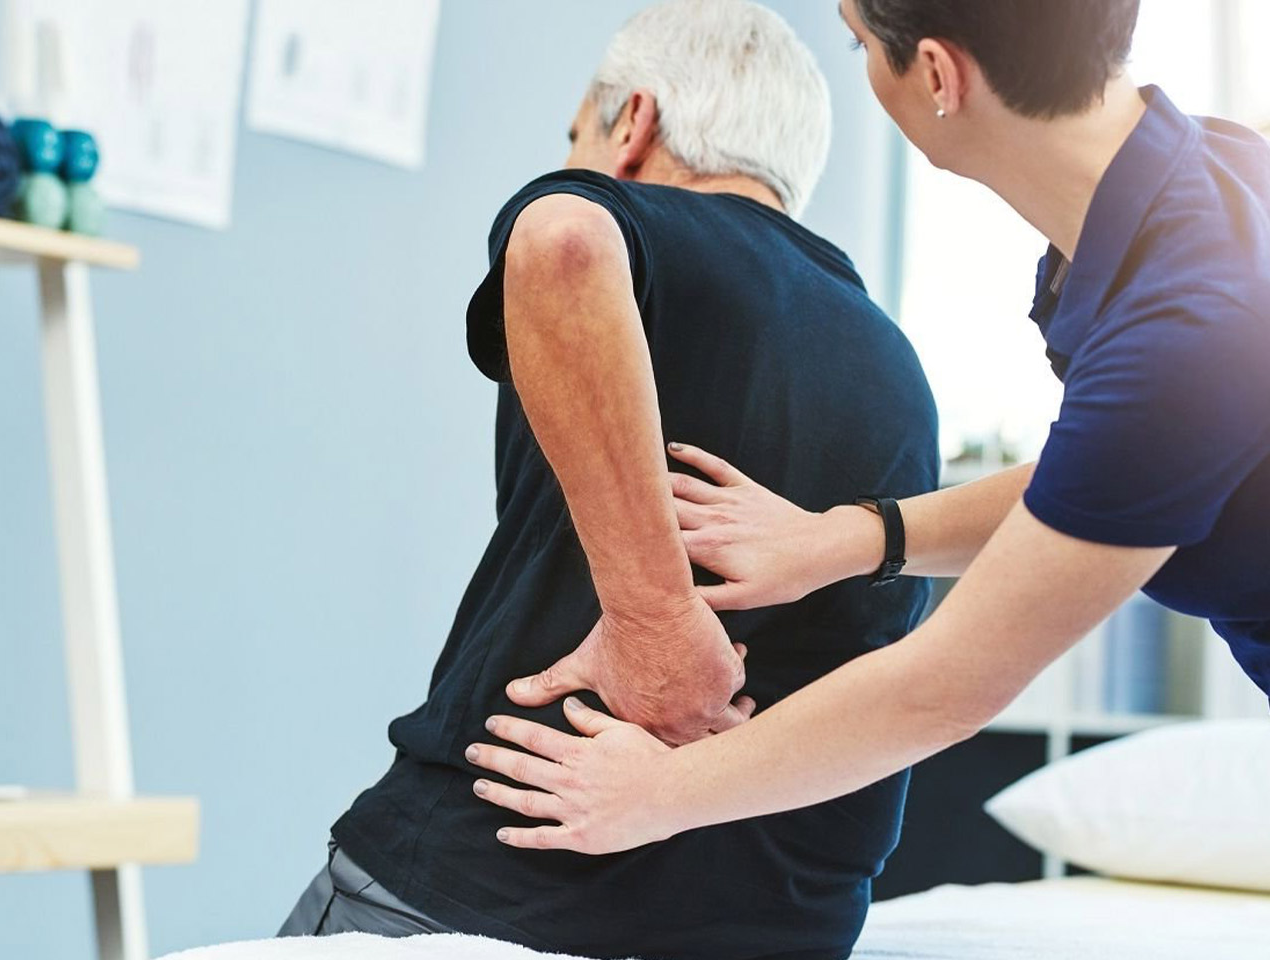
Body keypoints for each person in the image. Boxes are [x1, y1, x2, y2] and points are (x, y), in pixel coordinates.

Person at [465, 0, 1270, 863]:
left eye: (859, 43)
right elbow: (1109, 477)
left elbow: (947, 687)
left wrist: (655, 794)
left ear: (937, 75)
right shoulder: (1201, 188)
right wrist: (854, 538)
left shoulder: (1190, 319)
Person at [279, 2, 940, 958]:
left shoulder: (629, 230)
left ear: (633, 122)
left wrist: (655, 620)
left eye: (575, 138)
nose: (575, 161)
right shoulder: (898, 365)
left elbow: (560, 242)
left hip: (492, 890)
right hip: (784, 923)